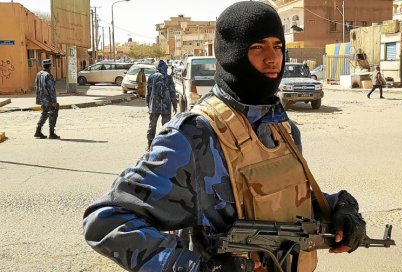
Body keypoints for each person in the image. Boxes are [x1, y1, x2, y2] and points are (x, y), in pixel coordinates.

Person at [83, 2, 366, 272]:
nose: (273, 58)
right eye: (258, 47)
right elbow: (105, 220)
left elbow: (284, 203)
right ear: (233, 53)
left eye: (278, 46)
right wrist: (197, 267)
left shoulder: (283, 128)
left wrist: (339, 208)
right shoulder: (194, 135)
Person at [145, 60, 177, 150]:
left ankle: (150, 144)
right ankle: (166, 144)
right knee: (166, 125)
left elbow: (148, 93)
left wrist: (148, 104)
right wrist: (174, 105)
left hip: (154, 106)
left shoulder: (151, 77)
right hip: (166, 106)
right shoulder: (168, 78)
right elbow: (172, 92)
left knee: (152, 125)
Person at [34, 59, 60, 139]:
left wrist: (40, 100)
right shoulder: (48, 75)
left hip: (42, 99)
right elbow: (51, 89)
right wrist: (54, 101)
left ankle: (38, 131)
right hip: (49, 99)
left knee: (45, 114)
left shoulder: (39, 74)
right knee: (52, 114)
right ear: (49, 66)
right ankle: (51, 133)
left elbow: (35, 87)